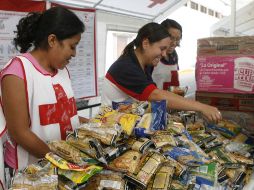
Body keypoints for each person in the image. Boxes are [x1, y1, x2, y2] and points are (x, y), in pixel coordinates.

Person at [0, 6, 88, 185]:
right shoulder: (17, 71)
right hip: (30, 173)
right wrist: (59, 160)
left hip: (64, 169)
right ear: (53, 40)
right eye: (72, 46)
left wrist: (93, 125)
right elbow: (19, 132)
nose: (74, 53)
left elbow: (61, 115)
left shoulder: (63, 72)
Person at [101, 22, 221, 123]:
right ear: (146, 43)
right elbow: (155, 95)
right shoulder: (126, 66)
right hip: (111, 127)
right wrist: (201, 107)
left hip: (128, 121)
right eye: (162, 48)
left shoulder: (144, 64)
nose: (164, 54)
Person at [152, 19, 182, 90]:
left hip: (173, 99)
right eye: (171, 38)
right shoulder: (152, 56)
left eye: (177, 39)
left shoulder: (174, 55)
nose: (174, 43)